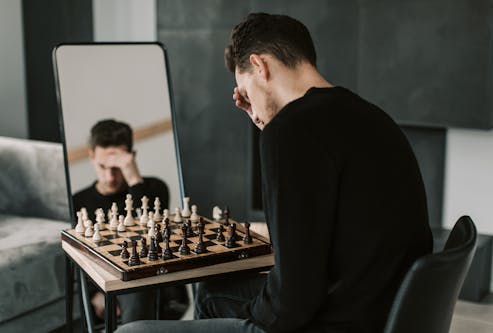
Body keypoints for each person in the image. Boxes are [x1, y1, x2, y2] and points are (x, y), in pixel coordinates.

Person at [117, 13, 432, 333]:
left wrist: (252, 313)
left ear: (259, 66)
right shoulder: (370, 116)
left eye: (245, 89)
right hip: (384, 310)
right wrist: (266, 121)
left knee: (131, 332)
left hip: (336, 320)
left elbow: (293, 300)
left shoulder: (290, 132)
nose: (247, 101)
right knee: (212, 292)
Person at [73, 119, 189, 323]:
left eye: (117, 167)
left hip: (155, 281)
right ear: (91, 156)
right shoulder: (78, 202)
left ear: (131, 158)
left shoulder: (154, 189)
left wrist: (134, 179)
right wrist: (94, 293)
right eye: (102, 166)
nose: (110, 177)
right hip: (105, 285)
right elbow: (77, 258)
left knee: (137, 285)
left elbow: (154, 235)